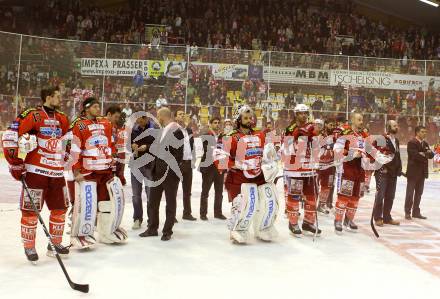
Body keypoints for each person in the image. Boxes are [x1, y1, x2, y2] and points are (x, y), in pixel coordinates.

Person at [1, 86, 70, 263]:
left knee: (60, 209)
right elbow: (10, 134)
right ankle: (29, 246)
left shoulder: (62, 118)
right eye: (57, 96)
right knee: (30, 211)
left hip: (56, 173)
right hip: (36, 172)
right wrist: (15, 162)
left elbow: (69, 141)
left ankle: (55, 243)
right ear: (48, 97)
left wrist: (68, 156)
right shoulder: (33, 115)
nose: (60, 99)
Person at [215, 105, 279, 244]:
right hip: (239, 178)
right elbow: (219, 158)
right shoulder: (229, 136)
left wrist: (271, 162)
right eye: (246, 117)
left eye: (251, 117)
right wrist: (238, 164)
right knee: (246, 203)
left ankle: (264, 227)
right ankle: (238, 230)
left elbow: (269, 153)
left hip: (260, 176)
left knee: (269, 201)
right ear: (238, 119)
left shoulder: (260, 134)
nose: (250, 120)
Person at [69, 97, 128, 248]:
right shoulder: (79, 125)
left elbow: (110, 144)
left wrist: (112, 163)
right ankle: (80, 234)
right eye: (95, 107)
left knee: (107, 203)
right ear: (87, 108)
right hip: (88, 172)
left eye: (98, 106)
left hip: (105, 171)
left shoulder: (105, 123)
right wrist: (76, 171)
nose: (98, 109)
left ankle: (105, 232)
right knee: (87, 204)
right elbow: (75, 149)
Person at [139, 107, 184, 241]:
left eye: (158, 116)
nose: (157, 119)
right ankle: (152, 228)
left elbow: (178, 155)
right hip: (157, 172)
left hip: (169, 174)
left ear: (162, 117)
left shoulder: (177, 131)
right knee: (153, 202)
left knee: (170, 203)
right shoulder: (162, 131)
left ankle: (167, 231)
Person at [282, 104, 321, 237]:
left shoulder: (311, 127)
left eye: (305, 113)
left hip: (309, 168)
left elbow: (316, 145)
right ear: (296, 114)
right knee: (294, 196)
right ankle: (293, 222)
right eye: (300, 113)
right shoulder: (290, 128)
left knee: (311, 196)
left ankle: (308, 222)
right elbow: (286, 149)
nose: (303, 115)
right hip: (295, 169)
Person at [333, 113, 369, 234]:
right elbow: (337, 150)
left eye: (362, 119)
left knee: (356, 196)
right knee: (344, 195)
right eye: (359, 119)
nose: (361, 122)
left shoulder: (364, 135)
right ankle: (338, 220)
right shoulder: (345, 133)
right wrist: (352, 154)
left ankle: (349, 220)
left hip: (360, 169)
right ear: (352, 120)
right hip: (347, 169)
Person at [373, 120, 402, 226]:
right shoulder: (381, 139)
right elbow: (377, 154)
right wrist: (384, 167)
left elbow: (397, 156)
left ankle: (387, 217)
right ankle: (377, 217)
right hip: (383, 172)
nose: (397, 127)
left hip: (393, 173)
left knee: (390, 196)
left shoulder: (396, 140)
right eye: (394, 126)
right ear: (388, 127)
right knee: (380, 196)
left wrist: (399, 168)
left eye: (397, 125)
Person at [130, 114, 156, 229]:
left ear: (146, 119)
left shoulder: (155, 130)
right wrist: (133, 146)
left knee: (150, 194)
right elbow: (129, 144)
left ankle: (151, 219)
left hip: (149, 165)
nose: (138, 124)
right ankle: (137, 218)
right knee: (136, 195)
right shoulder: (134, 129)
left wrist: (147, 147)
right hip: (136, 164)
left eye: (140, 121)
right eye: (137, 121)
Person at [199, 116, 226, 221]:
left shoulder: (222, 136)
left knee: (219, 192)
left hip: (219, 167)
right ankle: (203, 213)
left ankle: (218, 213)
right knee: (205, 192)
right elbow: (208, 150)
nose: (217, 124)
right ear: (210, 124)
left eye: (218, 122)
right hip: (208, 167)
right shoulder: (206, 135)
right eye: (215, 122)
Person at [404, 126, 434, 220]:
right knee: (410, 193)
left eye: (425, 132)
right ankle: (407, 212)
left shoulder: (425, 143)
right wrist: (425, 153)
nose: (424, 133)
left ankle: (416, 212)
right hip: (413, 173)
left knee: (419, 193)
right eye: (422, 132)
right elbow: (415, 156)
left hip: (422, 172)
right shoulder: (411, 143)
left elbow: (431, 155)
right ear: (417, 132)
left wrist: (424, 153)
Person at [175, 110, 197, 221]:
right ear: (175, 117)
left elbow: (192, 146)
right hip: (178, 164)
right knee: (173, 192)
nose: (182, 115)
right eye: (179, 114)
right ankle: (172, 215)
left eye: (183, 114)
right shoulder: (173, 130)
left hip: (188, 164)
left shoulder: (188, 130)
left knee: (187, 191)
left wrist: (193, 160)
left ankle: (187, 213)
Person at [317, 118, 336, 214]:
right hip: (318, 165)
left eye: (333, 125)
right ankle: (311, 204)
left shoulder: (333, 136)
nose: (332, 127)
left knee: (327, 186)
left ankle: (322, 204)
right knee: (314, 186)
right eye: (330, 125)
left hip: (330, 165)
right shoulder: (317, 135)